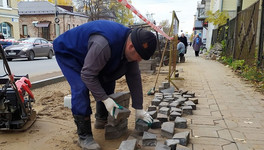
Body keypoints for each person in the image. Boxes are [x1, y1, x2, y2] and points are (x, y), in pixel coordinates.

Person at [53, 20, 157, 150]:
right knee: (81, 87)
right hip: (70, 52)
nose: (139, 60)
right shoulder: (103, 44)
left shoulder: (131, 45)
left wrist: (139, 108)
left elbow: (134, 77)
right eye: (140, 56)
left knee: (108, 77)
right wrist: (105, 99)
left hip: (91, 53)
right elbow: (88, 75)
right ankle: (84, 136)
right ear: (131, 47)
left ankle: (101, 119)